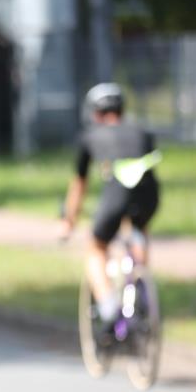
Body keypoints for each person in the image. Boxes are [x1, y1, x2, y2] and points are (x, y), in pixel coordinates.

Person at [60, 82, 161, 330]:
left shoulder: (90, 136)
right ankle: (139, 285)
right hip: (150, 192)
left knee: (95, 247)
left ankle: (108, 308)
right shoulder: (142, 131)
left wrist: (68, 220)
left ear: (95, 113)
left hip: (117, 191)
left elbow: (79, 185)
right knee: (139, 228)